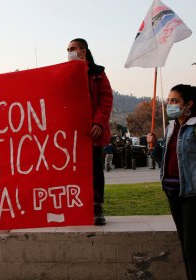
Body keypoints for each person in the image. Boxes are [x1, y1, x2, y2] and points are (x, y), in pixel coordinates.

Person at [147, 84, 196, 280]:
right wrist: (154, 147)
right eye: (169, 100)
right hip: (173, 193)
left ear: (189, 104)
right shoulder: (171, 127)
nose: (170, 104)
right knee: (185, 245)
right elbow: (167, 160)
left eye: (175, 101)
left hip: (192, 195)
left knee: (192, 247)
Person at [67, 38, 113, 225]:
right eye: (67, 49)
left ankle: (96, 207)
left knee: (94, 170)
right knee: (72, 172)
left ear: (83, 51)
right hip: (71, 134)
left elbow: (106, 99)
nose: (69, 52)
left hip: (92, 132)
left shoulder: (98, 73)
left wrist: (99, 123)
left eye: (72, 48)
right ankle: (75, 208)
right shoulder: (64, 74)